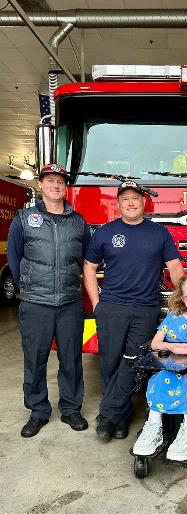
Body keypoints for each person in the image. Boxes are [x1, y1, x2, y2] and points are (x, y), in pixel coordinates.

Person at [83, 180, 184, 441]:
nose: (131, 203)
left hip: (145, 309)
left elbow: (174, 266)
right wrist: (97, 303)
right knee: (110, 361)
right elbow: (89, 268)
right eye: (125, 199)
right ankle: (121, 416)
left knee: (133, 363)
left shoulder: (159, 234)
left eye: (135, 198)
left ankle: (108, 415)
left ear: (143, 202)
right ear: (118, 204)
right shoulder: (105, 233)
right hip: (112, 308)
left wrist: (185, 291)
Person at [7, 164, 91, 437]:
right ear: (40, 185)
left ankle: (70, 409)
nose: (56, 186)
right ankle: (38, 410)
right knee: (35, 358)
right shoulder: (23, 218)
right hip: (36, 303)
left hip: (69, 302)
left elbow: (87, 260)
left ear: (66, 188)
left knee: (71, 358)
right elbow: (14, 256)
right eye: (50, 181)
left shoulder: (78, 222)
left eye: (60, 182)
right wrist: (27, 288)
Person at [131, 273, 187, 462]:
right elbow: (156, 343)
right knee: (157, 381)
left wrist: (176, 346)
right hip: (172, 368)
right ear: (182, 298)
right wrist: (177, 347)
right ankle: (153, 429)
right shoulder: (173, 318)